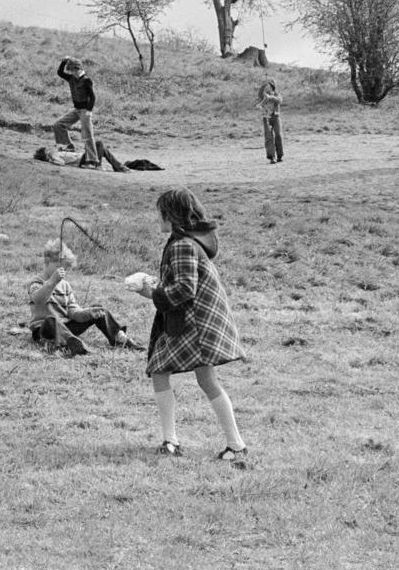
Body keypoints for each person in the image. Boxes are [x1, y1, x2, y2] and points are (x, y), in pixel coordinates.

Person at [130, 188, 249, 468]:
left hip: (192, 323)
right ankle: (233, 445)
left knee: (162, 370)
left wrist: (150, 294)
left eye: (160, 212)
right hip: (196, 321)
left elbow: (184, 288)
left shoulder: (182, 244)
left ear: (171, 215)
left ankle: (174, 442)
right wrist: (155, 283)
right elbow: (182, 281)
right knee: (203, 379)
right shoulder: (187, 242)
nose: (157, 217)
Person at [28, 239, 143, 356]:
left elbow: (73, 311)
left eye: (65, 268)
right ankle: (69, 343)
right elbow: (38, 299)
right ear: (47, 261)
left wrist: (88, 313)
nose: (62, 271)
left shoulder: (65, 285)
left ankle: (119, 338)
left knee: (98, 309)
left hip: (66, 327)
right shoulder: (37, 282)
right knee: (51, 320)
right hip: (44, 330)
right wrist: (52, 281)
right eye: (58, 266)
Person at [52, 56, 99, 168]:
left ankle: (93, 161)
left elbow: (92, 97)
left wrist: (89, 111)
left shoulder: (87, 80)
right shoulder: (71, 79)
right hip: (77, 110)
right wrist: (64, 61)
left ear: (77, 69)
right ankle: (68, 147)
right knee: (58, 125)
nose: (71, 73)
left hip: (85, 111)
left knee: (87, 135)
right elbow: (60, 72)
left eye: (72, 71)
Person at [33, 139, 128, 172]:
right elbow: (60, 163)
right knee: (99, 143)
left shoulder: (58, 152)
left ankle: (118, 167)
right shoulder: (54, 155)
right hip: (83, 161)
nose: (51, 147)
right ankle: (98, 165)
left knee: (102, 149)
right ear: (46, 153)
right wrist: (52, 156)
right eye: (48, 149)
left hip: (83, 157)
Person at [257, 78, 284, 164]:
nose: (267, 88)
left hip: (276, 117)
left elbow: (280, 100)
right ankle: (272, 156)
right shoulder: (263, 95)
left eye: (269, 86)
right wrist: (262, 86)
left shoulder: (277, 94)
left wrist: (271, 97)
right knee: (269, 137)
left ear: (272, 87)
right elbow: (260, 94)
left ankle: (279, 155)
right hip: (266, 117)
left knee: (278, 135)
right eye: (266, 86)